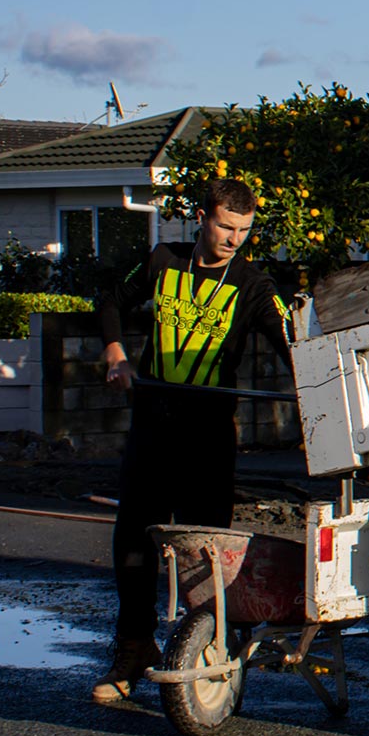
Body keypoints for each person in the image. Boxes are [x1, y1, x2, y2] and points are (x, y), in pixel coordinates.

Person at [90, 178, 292, 705]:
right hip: (153, 424)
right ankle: (132, 649)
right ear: (202, 218)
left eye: (244, 230)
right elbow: (110, 297)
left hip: (208, 436)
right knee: (134, 539)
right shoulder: (162, 260)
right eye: (225, 226)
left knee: (207, 552)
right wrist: (115, 353)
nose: (233, 239)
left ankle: (208, 660)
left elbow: (289, 341)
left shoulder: (253, 285)